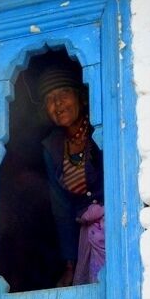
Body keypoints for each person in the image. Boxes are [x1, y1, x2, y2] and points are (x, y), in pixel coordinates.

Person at [39, 67, 105, 287]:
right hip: (87, 240)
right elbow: (62, 209)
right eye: (50, 99)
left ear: (81, 98)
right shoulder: (53, 147)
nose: (57, 104)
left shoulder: (101, 129)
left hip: (116, 232)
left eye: (64, 93)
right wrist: (70, 265)